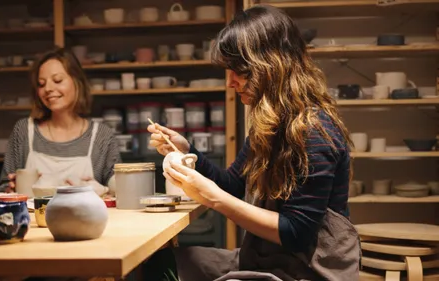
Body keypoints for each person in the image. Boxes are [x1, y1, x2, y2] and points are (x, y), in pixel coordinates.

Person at [147, 5, 360, 281]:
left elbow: (296, 233)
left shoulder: (315, 131)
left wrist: (213, 198)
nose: (230, 83)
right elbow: (234, 185)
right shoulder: (269, 123)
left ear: (274, 66)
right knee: (159, 263)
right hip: (265, 261)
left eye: (240, 71)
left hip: (308, 271)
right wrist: (188, 150)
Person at [0, 47, 121, 196]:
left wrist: (105, 190)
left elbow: (120, 193)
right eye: (41, 84)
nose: (48, 89)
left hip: (84, 219)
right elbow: (3, 188)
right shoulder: (23, 131)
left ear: (77, 82)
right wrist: (10, 189)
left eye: (57, 80)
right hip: (33, 219)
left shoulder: (102, 136)